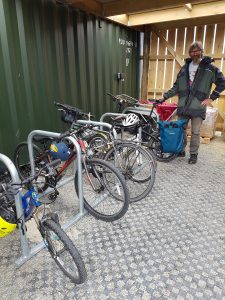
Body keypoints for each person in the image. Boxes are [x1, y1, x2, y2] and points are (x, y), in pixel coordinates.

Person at [160, 41, 225, 164]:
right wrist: (164, 97)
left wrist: (211, 98)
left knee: (195, 132)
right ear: (189, 53)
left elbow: (222, 83)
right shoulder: (184, 68)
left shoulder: (210, 69)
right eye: (192, 51)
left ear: (202, 51)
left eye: (197, 50)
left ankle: (193, 154)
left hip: (197, 106)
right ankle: (181, 150)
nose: (194, 53)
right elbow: (176, 87)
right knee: (181, 129)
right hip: (183, 106)